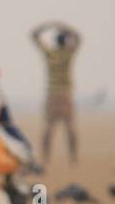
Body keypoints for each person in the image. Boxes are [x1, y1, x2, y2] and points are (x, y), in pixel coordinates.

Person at [31, 21, 81, 166]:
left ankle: (46, 158)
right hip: (65, 95)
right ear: (65, 42)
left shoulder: (50, 54)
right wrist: (65, 26)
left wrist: (48, 25)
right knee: (70, 128)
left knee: (49, 129)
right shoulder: (67, 55)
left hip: (52, 95)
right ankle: (73, 158)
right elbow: (78, 38)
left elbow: (34, 35)